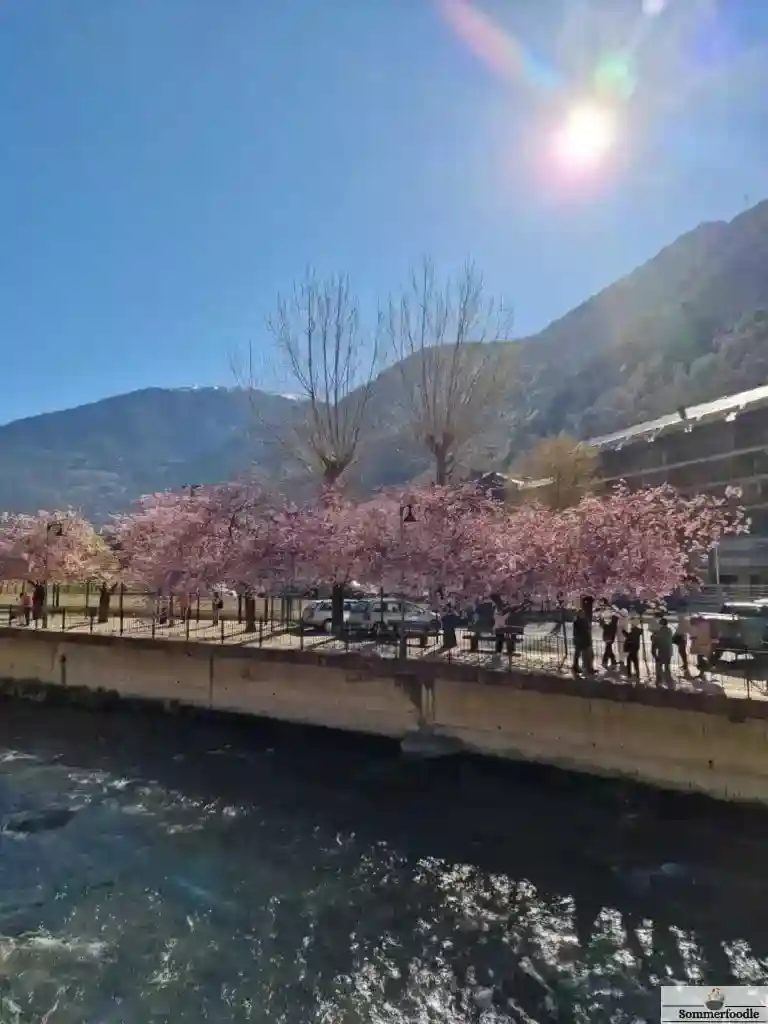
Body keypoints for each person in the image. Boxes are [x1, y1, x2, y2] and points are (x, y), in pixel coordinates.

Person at [651, 616, 674, 687]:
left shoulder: (658, 631)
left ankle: (659, 680)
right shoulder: (669, 630)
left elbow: (655, 641)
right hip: (669, 651)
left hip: (662, 651)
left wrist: (653, 637)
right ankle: (668, 681)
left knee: (659, 666)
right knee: (667, 666)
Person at [572, 607, 594, 675]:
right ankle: (587, 668)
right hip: (583, 641)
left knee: (579, 655)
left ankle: (578, 667)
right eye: (581, 613)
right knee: (587, 655)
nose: (582, 614)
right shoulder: (582, 621)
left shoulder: (578, 621)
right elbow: (587, 631)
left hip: (581, 640)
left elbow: (576, 632)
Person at [672, 608, 690, 675]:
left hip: (682, 638)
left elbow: (686, 630)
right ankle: (685, 664)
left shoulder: (684, 621)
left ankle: (685, 665)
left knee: (682, 652)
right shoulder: (683, 621)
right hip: (682, 638)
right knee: (682, 652)